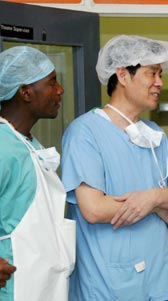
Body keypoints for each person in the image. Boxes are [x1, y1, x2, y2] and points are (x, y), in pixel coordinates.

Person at [61, 35, 168, 301]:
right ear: (123, 75)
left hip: (157, 282)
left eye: (160, 74)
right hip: (109, 286)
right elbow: (94, 209)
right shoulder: (85, 132)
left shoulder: (154, 134)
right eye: (152, 73)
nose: (159, 82)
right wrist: (159, 207)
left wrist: (154, 197)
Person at [0, 46, 75, 301]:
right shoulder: (2, 145)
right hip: (15, 286)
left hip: (45, 285)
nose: (60, 90)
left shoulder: (29, 144)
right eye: (52, 82)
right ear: (25, 92)